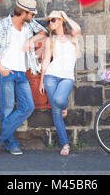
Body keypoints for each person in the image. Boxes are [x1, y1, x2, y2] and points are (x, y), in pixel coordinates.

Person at [0, 0, 48, 155]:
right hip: (7, 72)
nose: (34, 17)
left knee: (28, 106)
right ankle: (11, 144)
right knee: (7, 110)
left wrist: (32, 40)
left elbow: (44, 32)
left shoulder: (29, 24)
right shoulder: (2, 26)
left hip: (22, 73)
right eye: (32, 14)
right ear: (24, 12)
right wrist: (1, 68)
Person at [39, 10, 81, 156]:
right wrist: (41, 81)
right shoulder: (50, 40)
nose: (51, 23)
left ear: (61, 21)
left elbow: (77, 29)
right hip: (51, 75)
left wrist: (66, 16)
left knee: (58, 100)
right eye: (50, 20)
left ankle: (64, 106)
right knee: (56, 112)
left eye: (54, 20)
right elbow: (45, 60)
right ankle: (65, 145)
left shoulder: (72, 38)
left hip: (67, 78)